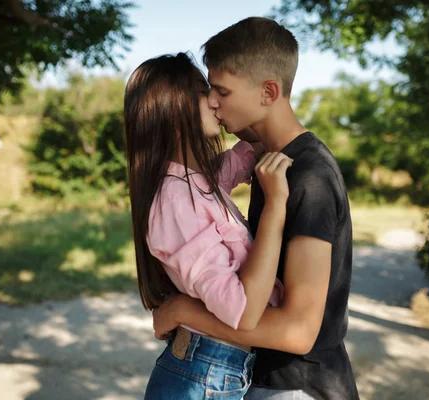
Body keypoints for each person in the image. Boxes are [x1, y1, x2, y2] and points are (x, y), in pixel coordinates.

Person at [152, 17, 360, 399]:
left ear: (268, 92)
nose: (211, 101)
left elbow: (298, 332)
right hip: (263, 379)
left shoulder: (307, 176)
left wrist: (184, 312)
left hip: (295, 387)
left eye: (222, 91)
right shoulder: (270, 166)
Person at [124, 52, 294, 399]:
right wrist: (275, 208)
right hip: (201, 379)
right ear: (176, 109)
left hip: (214, 369)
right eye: (206, 91)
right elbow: (242, 311)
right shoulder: (174, 199)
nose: (216, 100)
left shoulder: (194, 183)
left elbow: (241, 157)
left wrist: (254, 111)